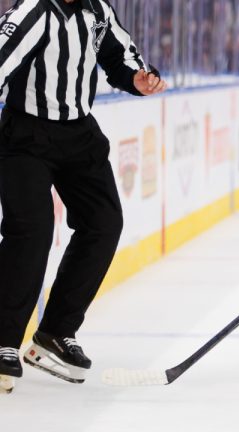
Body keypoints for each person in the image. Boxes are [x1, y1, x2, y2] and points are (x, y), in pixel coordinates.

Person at [0, 0, 167, 393]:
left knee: (104, 224)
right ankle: (4, 338)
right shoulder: (32, 11)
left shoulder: (98, 9)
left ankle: (54, 333)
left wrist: (138, 79)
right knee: (32, 231)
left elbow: (120, 54)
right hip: (25, 136)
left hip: (79, 136)